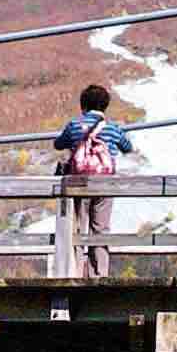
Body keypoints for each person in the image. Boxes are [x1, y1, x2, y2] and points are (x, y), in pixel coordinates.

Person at [54, 80, 128, 274]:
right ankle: (99, 273)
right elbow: (127, 147)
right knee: (101, 228)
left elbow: (59, 144)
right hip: (105, 185)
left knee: (78, 228)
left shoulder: (74, 125)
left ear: (83, 105)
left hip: (79, 183)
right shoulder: (112, 128)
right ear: (105, 106)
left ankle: (76, 270)